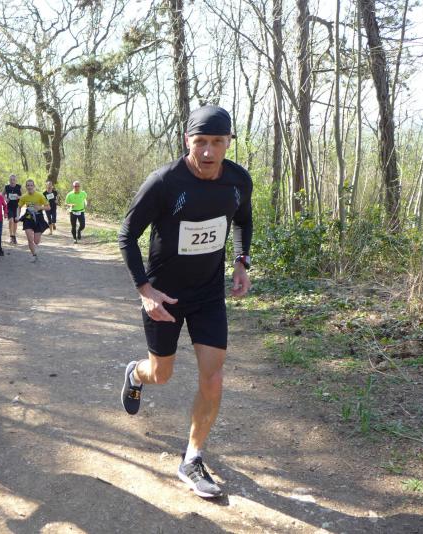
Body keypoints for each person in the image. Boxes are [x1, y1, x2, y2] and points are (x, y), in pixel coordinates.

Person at [118, 105, 253, 498]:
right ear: (187, 141)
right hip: (165, 295)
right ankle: (135, 374)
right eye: (201, 142)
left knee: (214, 377)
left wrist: (241, 262)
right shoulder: (164, 182)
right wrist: (145, 290)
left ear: (229, 142)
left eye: (217, 142)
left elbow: (243, 220)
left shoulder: (238, 181)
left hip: (208, 294)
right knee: (161, 374)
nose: (209, 151)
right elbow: (127, 234)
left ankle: (192, 458)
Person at [16, 179, 50, 262]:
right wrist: (17, 216)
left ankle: (38, 236)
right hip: (28, 218)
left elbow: (48, 207)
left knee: (36, 241)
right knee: (30, 239)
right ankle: (34, 255)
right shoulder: (24, 196)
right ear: (26, 187)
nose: (30, 187)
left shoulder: (40, 195)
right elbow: (19, 207)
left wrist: (40, 207)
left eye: (31, 185)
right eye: (28, 185)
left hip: (38, 218)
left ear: (34, 186)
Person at [4, 174, 22, 245]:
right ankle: (11, 236)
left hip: (17, 207)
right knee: (11, 220)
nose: (12, 181)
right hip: (9, 206)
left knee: (15, 221)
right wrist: (6, 199)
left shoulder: (19, 187)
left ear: (16, 180)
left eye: (13, 180)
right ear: (9, 180)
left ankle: (14, 236)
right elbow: (2, 194)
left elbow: (23, 196)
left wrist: (18, 197)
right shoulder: (6, 187)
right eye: (11, 180)